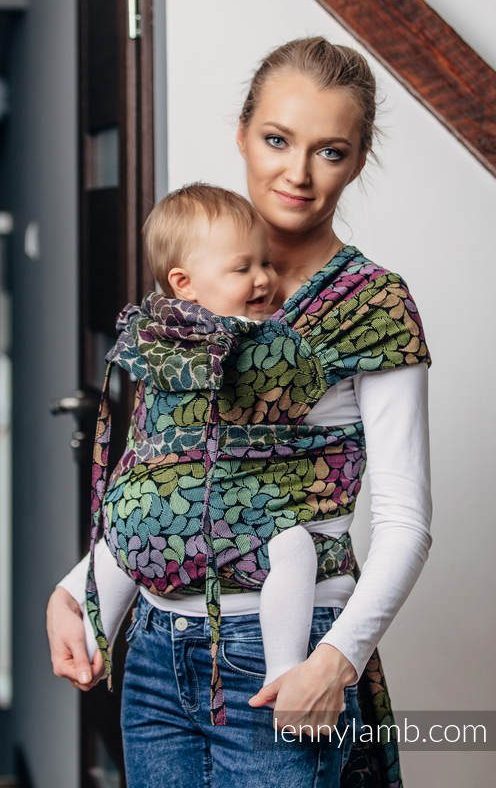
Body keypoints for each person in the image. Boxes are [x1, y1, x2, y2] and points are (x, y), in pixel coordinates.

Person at [47, 37, 432, 787]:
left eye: (330, 151)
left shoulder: (372, 307)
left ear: (358, 160)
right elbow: (161, 480)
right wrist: (75, 593)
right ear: (242, 134)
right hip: (156, 648)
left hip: (282, 649)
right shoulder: (190, 292)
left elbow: (405, 520)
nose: (297, 173)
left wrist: (335, 660)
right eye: (277, 140)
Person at [80, 182, 322, 716]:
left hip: (151, 503)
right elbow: (300, 383)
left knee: (122, 542)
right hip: (222, 506)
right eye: (242, 268)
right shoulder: (251, 338)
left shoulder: (149, 334)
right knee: (294, 547)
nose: (264, 278)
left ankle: (98, 636)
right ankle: (283, 667)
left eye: (265, 262)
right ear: (184, 283)